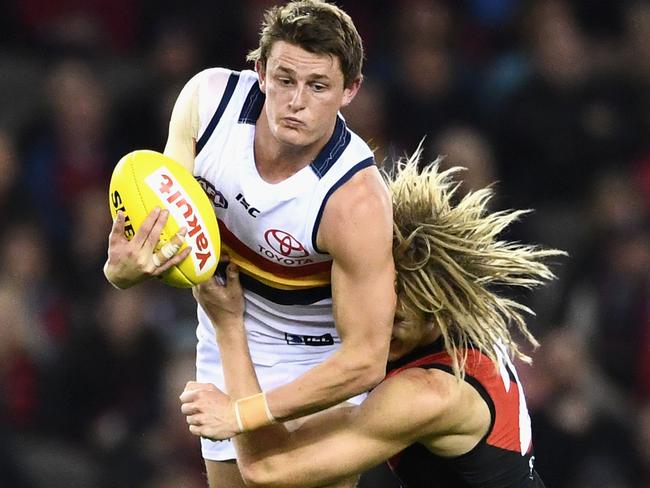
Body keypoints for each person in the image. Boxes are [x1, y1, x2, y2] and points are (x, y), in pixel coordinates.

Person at [103, 1, 395, 487]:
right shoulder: (206, 103)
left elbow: (365, 359)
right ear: (258, 71)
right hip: (222, 326)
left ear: (351, 91)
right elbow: (175, 240)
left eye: (318, 86)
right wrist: (124, 271)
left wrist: (243, 414)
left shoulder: (355, 201)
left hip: (316, 360)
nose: (296, 101)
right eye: (284, 79)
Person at [181, 155, 564, 487]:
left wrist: (229, 331)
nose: (375, 324)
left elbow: (269, 470)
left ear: (439, 311)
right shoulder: (449, 332)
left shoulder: (429, 392)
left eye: (395, 320)